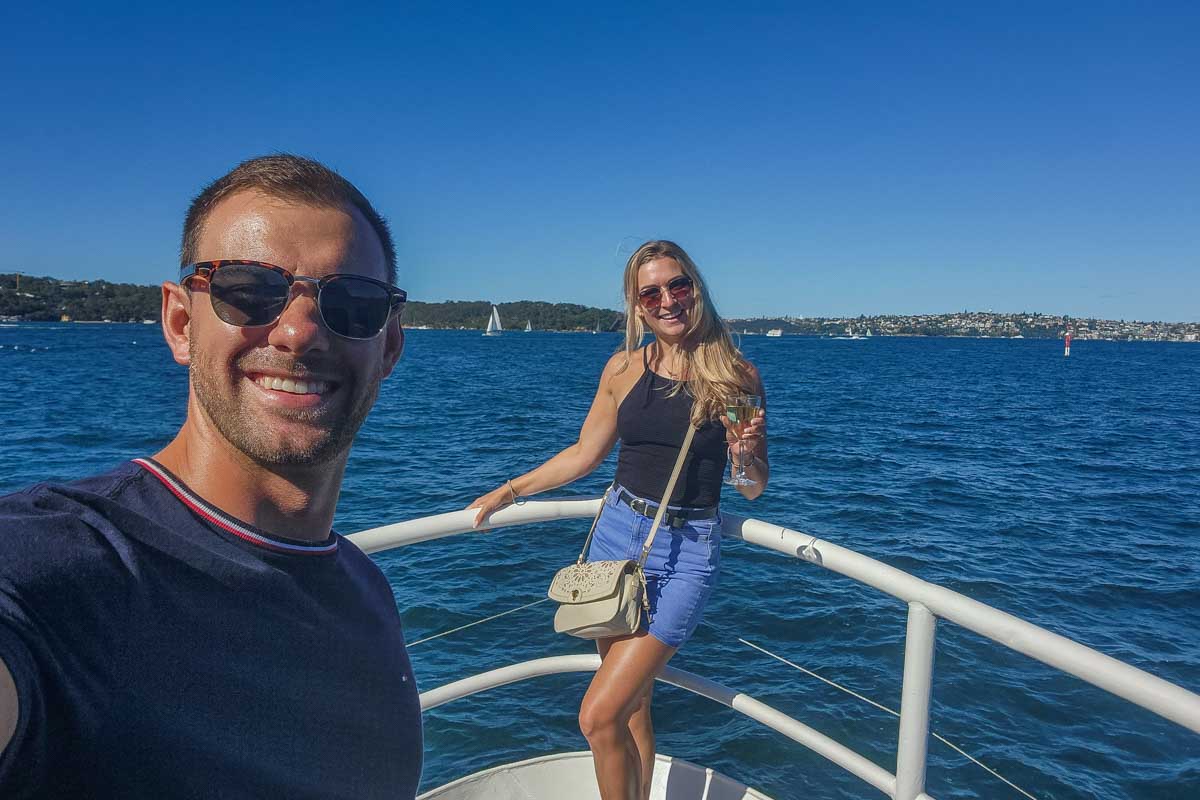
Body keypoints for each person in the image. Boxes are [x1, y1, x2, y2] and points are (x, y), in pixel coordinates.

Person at [0, 155, 422, 798]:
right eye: (248, 290)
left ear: (388, 345)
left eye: (352, 303)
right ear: (180, 323)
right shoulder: (58, 573)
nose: (298, 332)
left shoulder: (367, 592)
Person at [468, 240, 768, 800]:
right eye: (650, 293)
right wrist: (510, 490)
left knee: (598, 714)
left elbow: (751, 488)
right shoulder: (624, 368)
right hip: (615, 536)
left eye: (677, 286)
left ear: (696, 289)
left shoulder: (734, 377)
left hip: (685, 552)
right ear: (636, 305)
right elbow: (585, 454)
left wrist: (744, 453)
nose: (667, 301)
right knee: (631, 710)